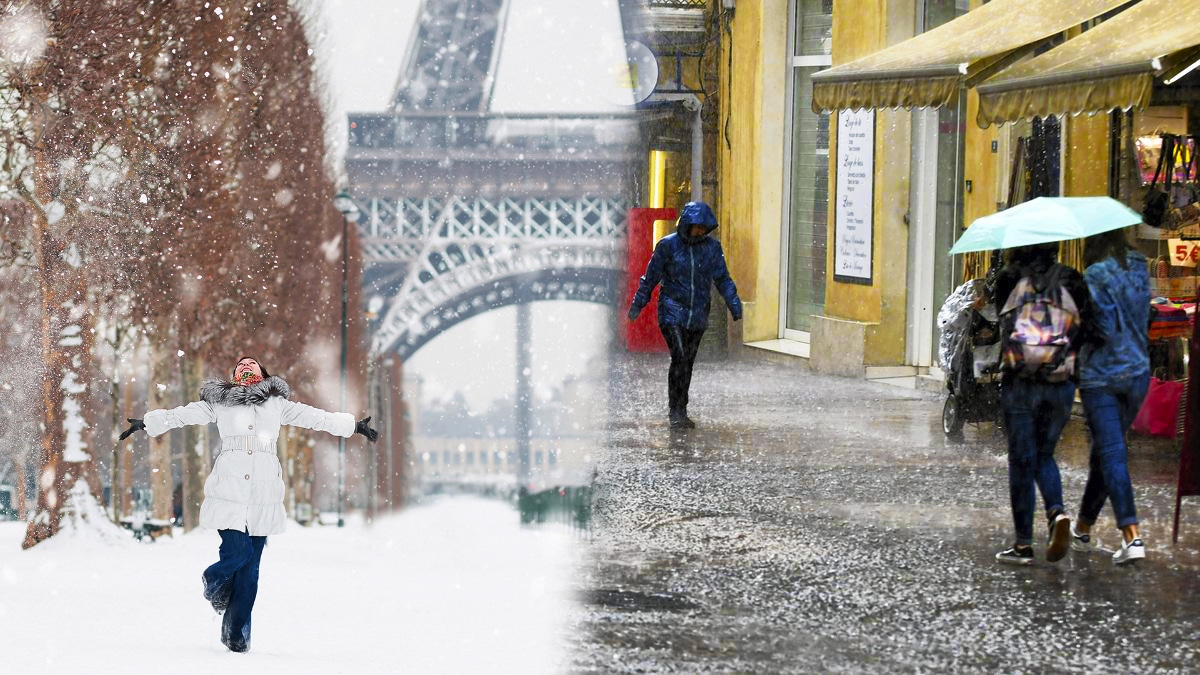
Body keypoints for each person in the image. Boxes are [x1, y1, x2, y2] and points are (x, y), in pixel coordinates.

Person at [119, 356, 378, 653]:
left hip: (264, 495)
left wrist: (353, 426)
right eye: (240, 364)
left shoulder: (277, 404)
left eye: (252, 363)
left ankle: (236, 635)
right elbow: (181, 415)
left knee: (250, 572)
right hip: (228, 490)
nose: (246, 365)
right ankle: (213, 579)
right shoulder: (220, 403)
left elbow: (315, 417)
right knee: (237, 553)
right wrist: (147, 422)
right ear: (233, 376)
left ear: (263, 374)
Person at [992, 242, 1093, 565]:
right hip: (1060, 382)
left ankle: (1023, 544)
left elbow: (1003, 323)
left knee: (1021, 460)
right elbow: (1085, 329)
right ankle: (1056, 512)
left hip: (1020, 381)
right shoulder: (1073, 279)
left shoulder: (1008, 278)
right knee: (1044, 454)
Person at [1072, 229, 1150, 564]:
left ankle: (1131, 536)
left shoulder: (1095, 274)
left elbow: (1100, 325)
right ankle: (1083, 526)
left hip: (1101, 376)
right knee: (1106, 454)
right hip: (1137, 373)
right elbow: (1144, 315)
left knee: (1112, 453)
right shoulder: (1140, 265)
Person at [627, 201, 742, 430]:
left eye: (703, 227)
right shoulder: (668, 246)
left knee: (687, 362)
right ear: (687, 223)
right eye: (696, 226)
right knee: (679, 357)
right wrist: (638, 305)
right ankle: (675, 410)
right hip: (671, 310)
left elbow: (722, 278)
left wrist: (734, 304)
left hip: (698, 312)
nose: (699, 230)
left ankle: (682, 408)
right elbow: (650, 278)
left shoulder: (711, 248)